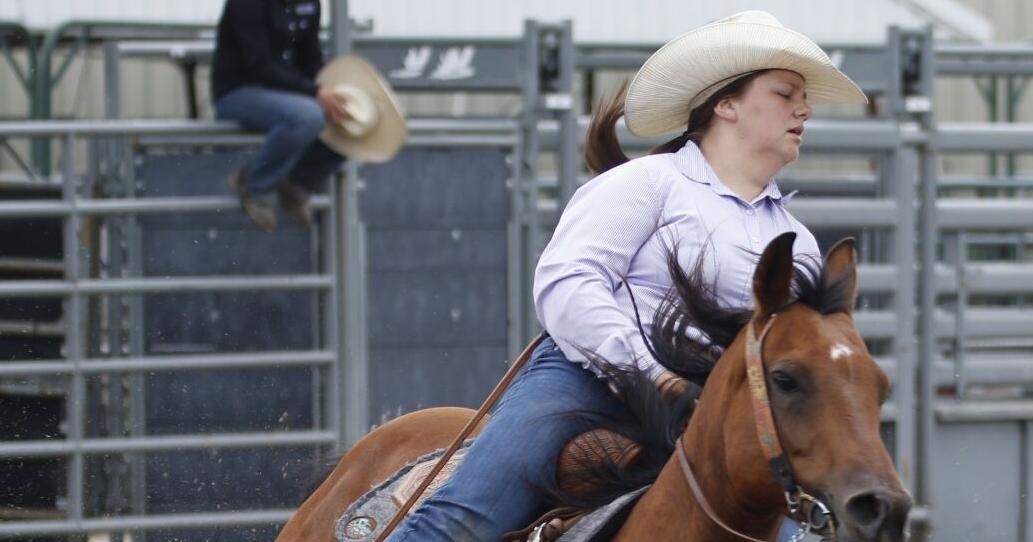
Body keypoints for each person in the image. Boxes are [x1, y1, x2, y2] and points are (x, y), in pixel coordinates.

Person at [384, 10, 867, 542]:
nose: (805, 108)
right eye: (785, 93)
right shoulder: (646, 184)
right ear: (725, 104)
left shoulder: (795, 240)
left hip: (711, 411)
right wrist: (652, 376)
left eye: (802, 98)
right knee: (466, 519)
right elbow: (568, 281)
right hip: (584, 381)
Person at [211, 0, 347, 231]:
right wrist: (315, 92)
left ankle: (296, 185)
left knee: (348, 120)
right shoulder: (247, 5)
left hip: (282, 93)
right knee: (308, 116)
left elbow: (310, 58)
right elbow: (259, 64)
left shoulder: (309, 4)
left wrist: (333, 95)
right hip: (236, 93)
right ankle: (255, 184)